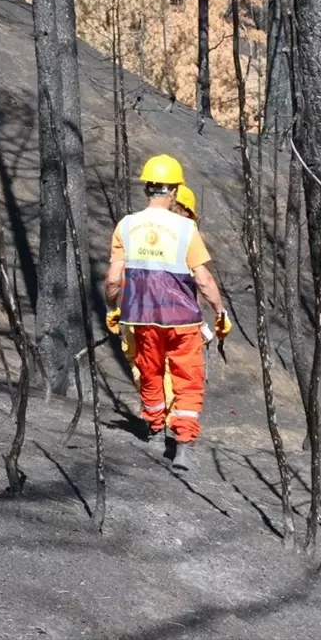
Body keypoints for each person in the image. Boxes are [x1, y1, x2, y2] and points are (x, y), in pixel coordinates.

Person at [105, 155, 230, 471]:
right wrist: (220, 310)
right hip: (183, 320)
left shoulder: (127, 225)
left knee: (151, 372)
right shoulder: (186, 228)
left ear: (147, 187)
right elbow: (203, 278)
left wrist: (113, 309)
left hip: (141, 316)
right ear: (174, 190)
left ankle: (156, 432)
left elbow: (111, 278)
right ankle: (184, 449)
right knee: (187, 379)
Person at [120, 183, 214, 412]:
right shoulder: (183, 234)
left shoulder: (138, 228)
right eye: (188, 213)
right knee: (170, 374)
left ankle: (155, 420)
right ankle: (166, 422)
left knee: (145, 369)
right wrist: (203, 322)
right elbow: (197, 283)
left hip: (135, 314)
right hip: (171, 320)